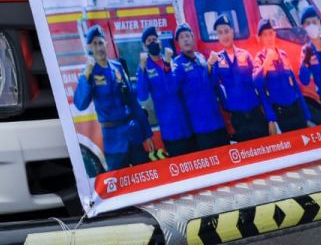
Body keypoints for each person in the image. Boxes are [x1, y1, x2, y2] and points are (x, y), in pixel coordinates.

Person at [74, 25, 153, 171]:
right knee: (120, 186)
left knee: (147, 175)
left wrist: (147, 133)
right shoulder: (88, 73)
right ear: (90, 47)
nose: (99, 47)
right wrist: (87, 74)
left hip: (133, 135)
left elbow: (133, 102)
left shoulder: (118, 67)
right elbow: (80, 104)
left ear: (106, 44)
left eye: (101, 42)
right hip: (113, 142)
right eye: (95, 44)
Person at [209, 15, 269, 141]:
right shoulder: (217, 60)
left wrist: (269, 115)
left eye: (226, 31)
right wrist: (209, 64)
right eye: (220, 33)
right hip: (238, 117)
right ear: (217, 37)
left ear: (232, 32)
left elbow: (258, 83)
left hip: (255, 113)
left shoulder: (245, 55)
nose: (224, 36)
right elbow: (213, 83)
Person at [135, 25, 193, 157]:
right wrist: (143, 70)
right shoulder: (144, 67)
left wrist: (167, 63)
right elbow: (142, 95)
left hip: (185, 125)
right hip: (169, 130)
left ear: (160, 41)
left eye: (155, 39)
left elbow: (175, 88)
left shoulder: (171, 61)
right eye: (149, 41)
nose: (153, 42)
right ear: (145, 46)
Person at [172, 24, 230, 151]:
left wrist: (211, 66)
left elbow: (213, 82)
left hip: (218, 122)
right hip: (200, 128)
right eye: (181, 37)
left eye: (187, 36)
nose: (185, 39)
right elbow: (173, 89)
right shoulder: (177, 64)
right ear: (178, 43)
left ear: (193, 38)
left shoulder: (201, 58)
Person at [252, 19, 313, 133]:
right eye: (265, 35)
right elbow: (258, 85)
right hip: (280, 114)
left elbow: (296, 88)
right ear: (260, 39)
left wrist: (307, 116)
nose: (269, 37)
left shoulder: (284, 55)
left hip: (296, 110)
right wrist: (271, 119)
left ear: (274, 35)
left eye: (270, 33)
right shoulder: (259, 59)